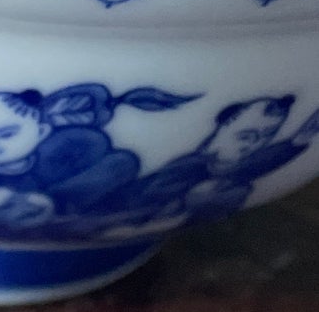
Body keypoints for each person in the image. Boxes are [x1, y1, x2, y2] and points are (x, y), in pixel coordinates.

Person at [0, 89, 142, 236]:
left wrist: (54, 202)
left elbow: (119, 162)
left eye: (7, 134)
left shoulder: (66, 147)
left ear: (42, 130)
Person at [117, 96, 319, 227]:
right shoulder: (191, 165)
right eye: (246, 136)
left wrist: (297, 141)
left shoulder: (223, 166)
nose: (253, 145)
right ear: (225, 125)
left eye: (266, 137)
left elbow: (252, 166)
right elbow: (145, 201)